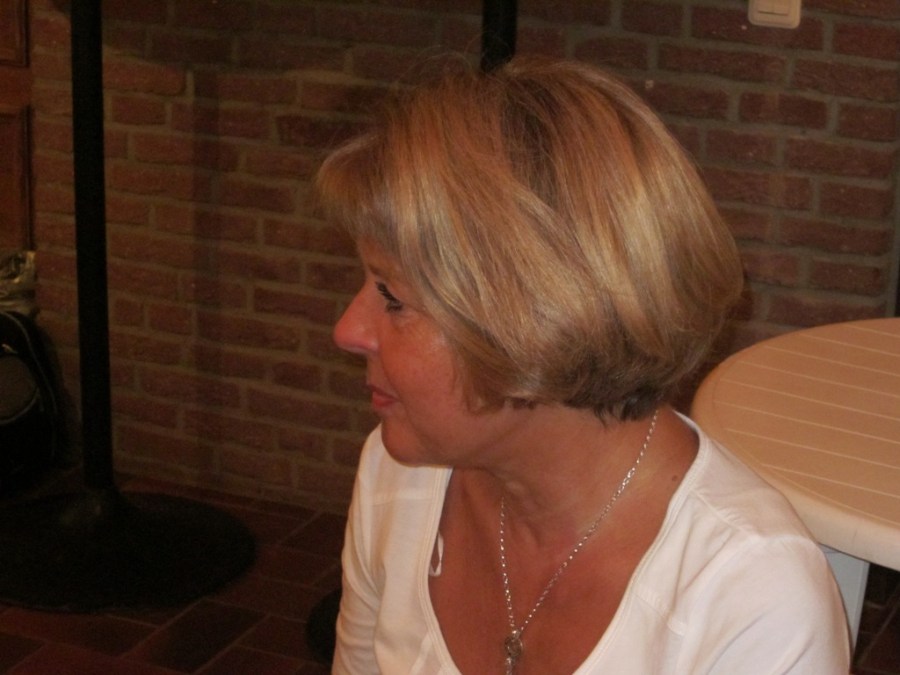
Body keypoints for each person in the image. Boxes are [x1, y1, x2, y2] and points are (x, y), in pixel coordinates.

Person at [316, 56, 851, 674]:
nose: (347, 330)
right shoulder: (401, 479)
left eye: (392, 297)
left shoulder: (749, 600)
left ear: (536, 317)